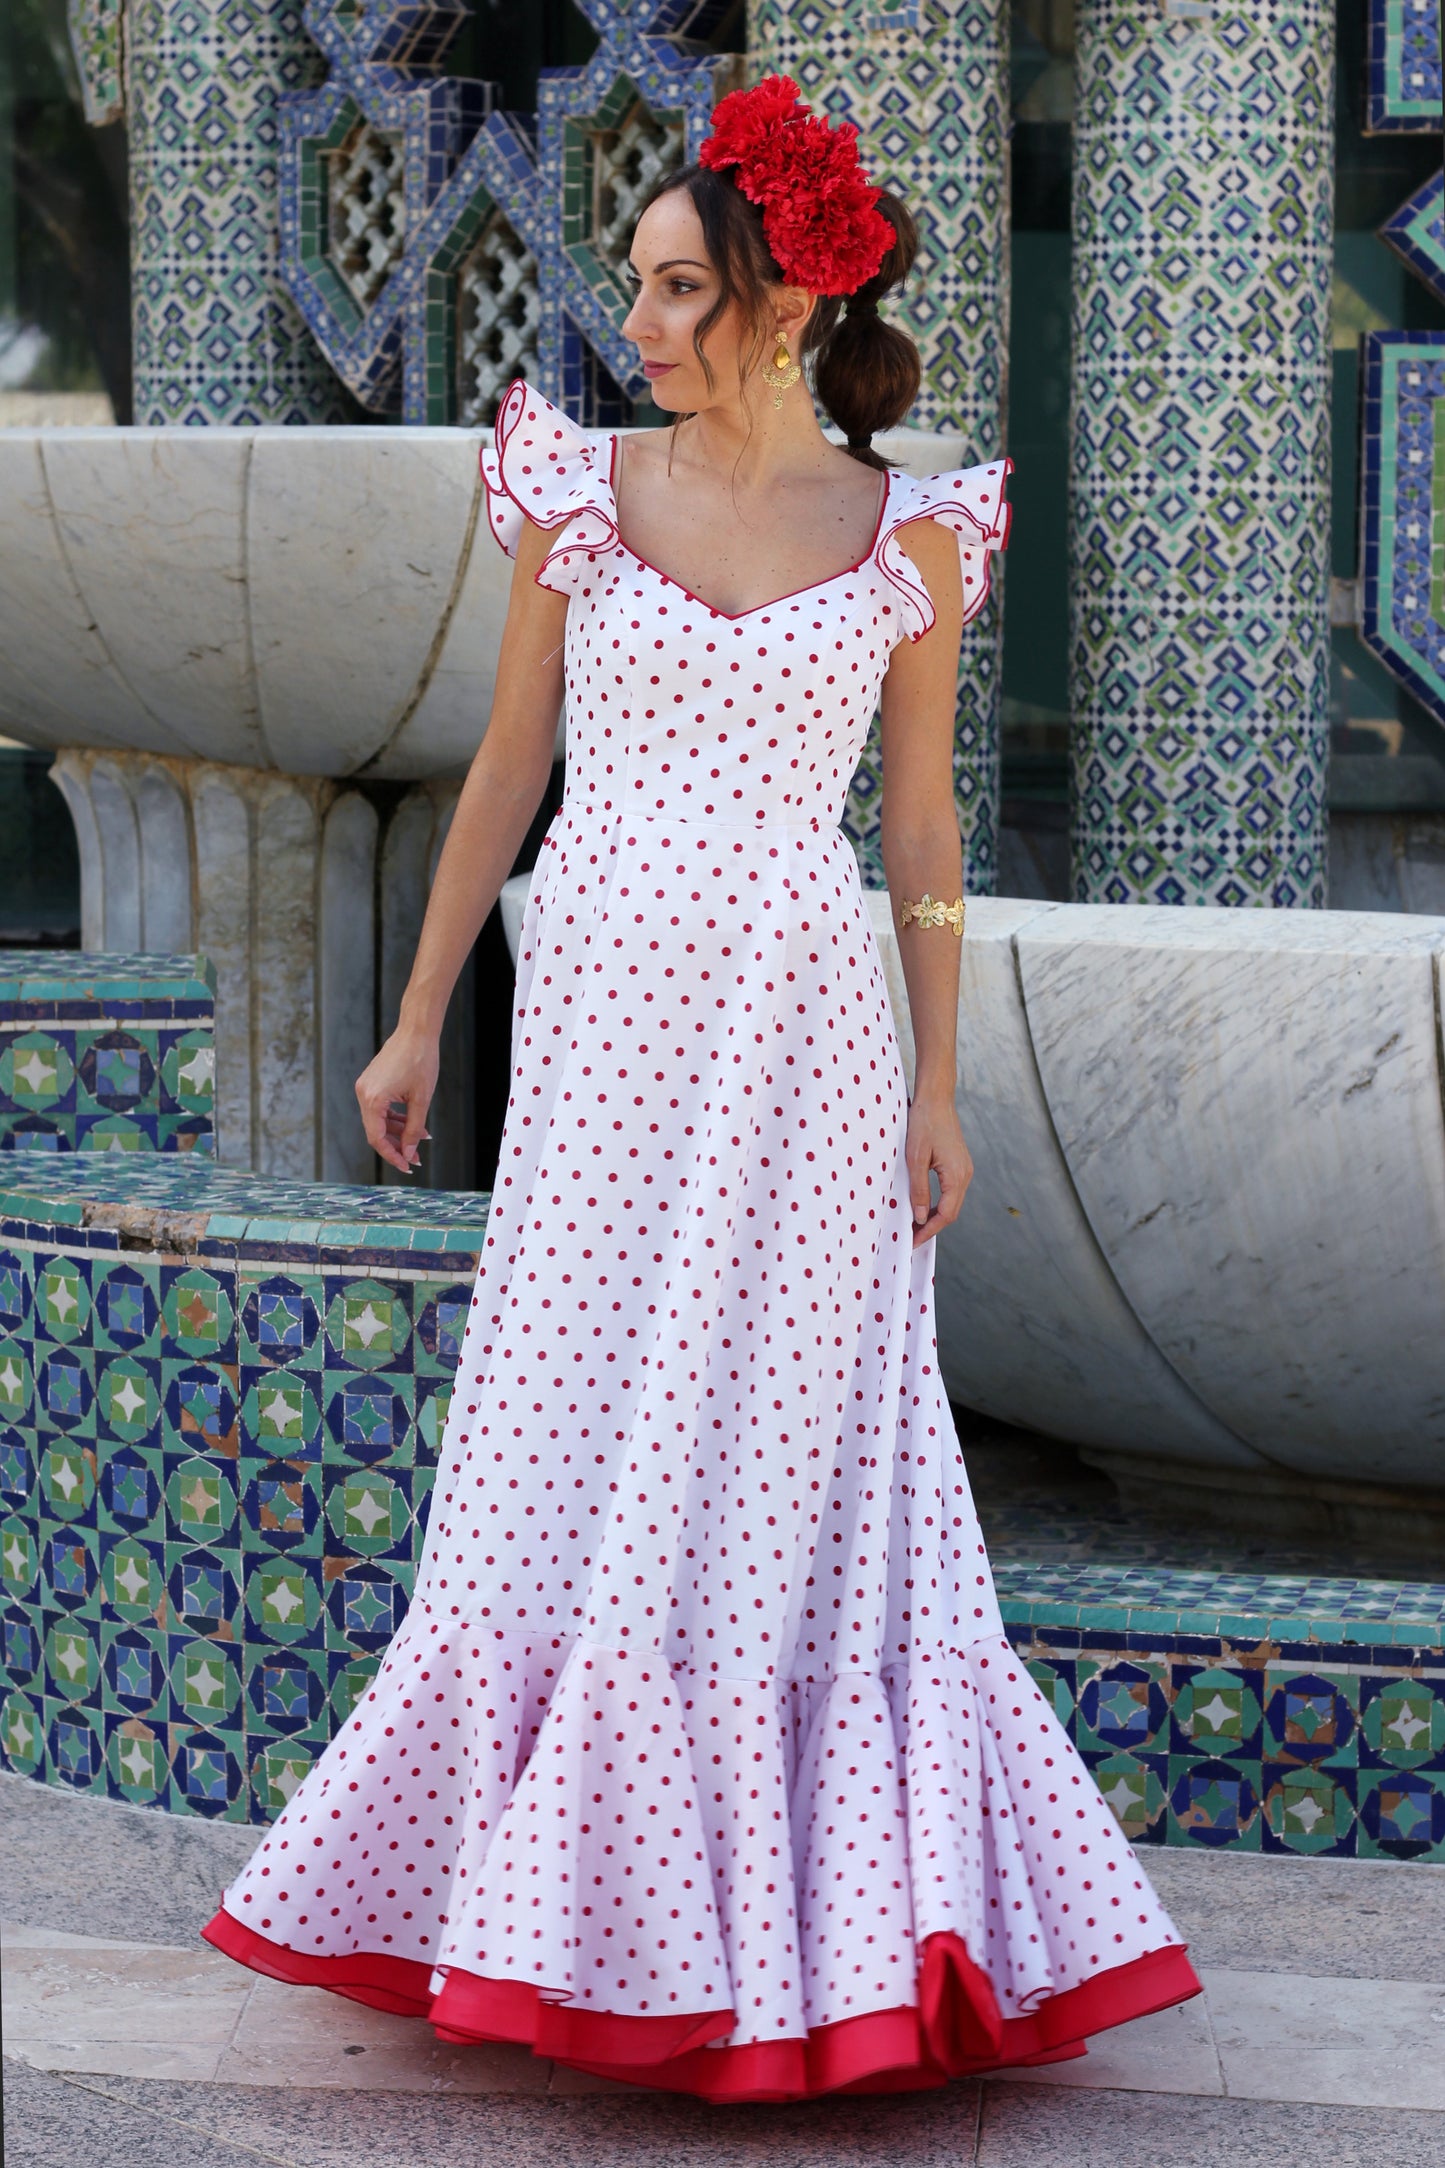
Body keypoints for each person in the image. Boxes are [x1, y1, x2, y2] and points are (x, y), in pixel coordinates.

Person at [203, 75, 1200, 2101]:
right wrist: (413, 1018)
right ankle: (537, 1902)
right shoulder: (579, 490)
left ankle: (805, 1933)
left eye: (674, 289)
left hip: (809, 1042)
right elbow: (503, 769)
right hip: (598, 1037)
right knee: (563, 1420)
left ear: (781, 299)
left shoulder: (912, 528)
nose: (635, 325)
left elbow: (922, 829)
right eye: (640, 288)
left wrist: (942, 1080)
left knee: (792, 1447)